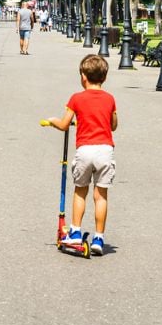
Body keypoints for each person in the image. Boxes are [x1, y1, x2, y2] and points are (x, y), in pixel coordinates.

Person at [42, 54, 118, 256]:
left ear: (83, 76)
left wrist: (52, 121)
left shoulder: (76, 98)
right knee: (101, 196)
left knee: (80, 191)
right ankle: (99, 237)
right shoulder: (110, 99)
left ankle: (75, 231)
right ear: (104, 77)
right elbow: (113, 125)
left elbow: (65, 124)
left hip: (85, 150)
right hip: (104, 150)